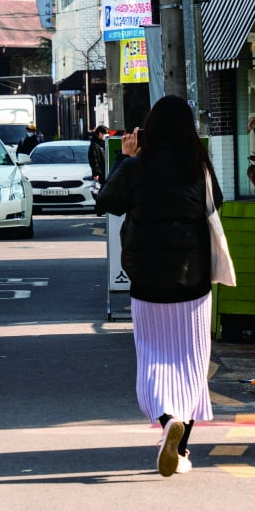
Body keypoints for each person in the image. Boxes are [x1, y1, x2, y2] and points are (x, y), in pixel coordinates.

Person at [95, 96, 220, 477]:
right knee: (192, 363)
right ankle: (179, 448)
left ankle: (167, 421)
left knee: (152, 356)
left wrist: (125, 157)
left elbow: (106, 203)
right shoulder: (198, 166)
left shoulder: (136, 167)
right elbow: (217, 207)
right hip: (193, 280)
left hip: (147, 280)